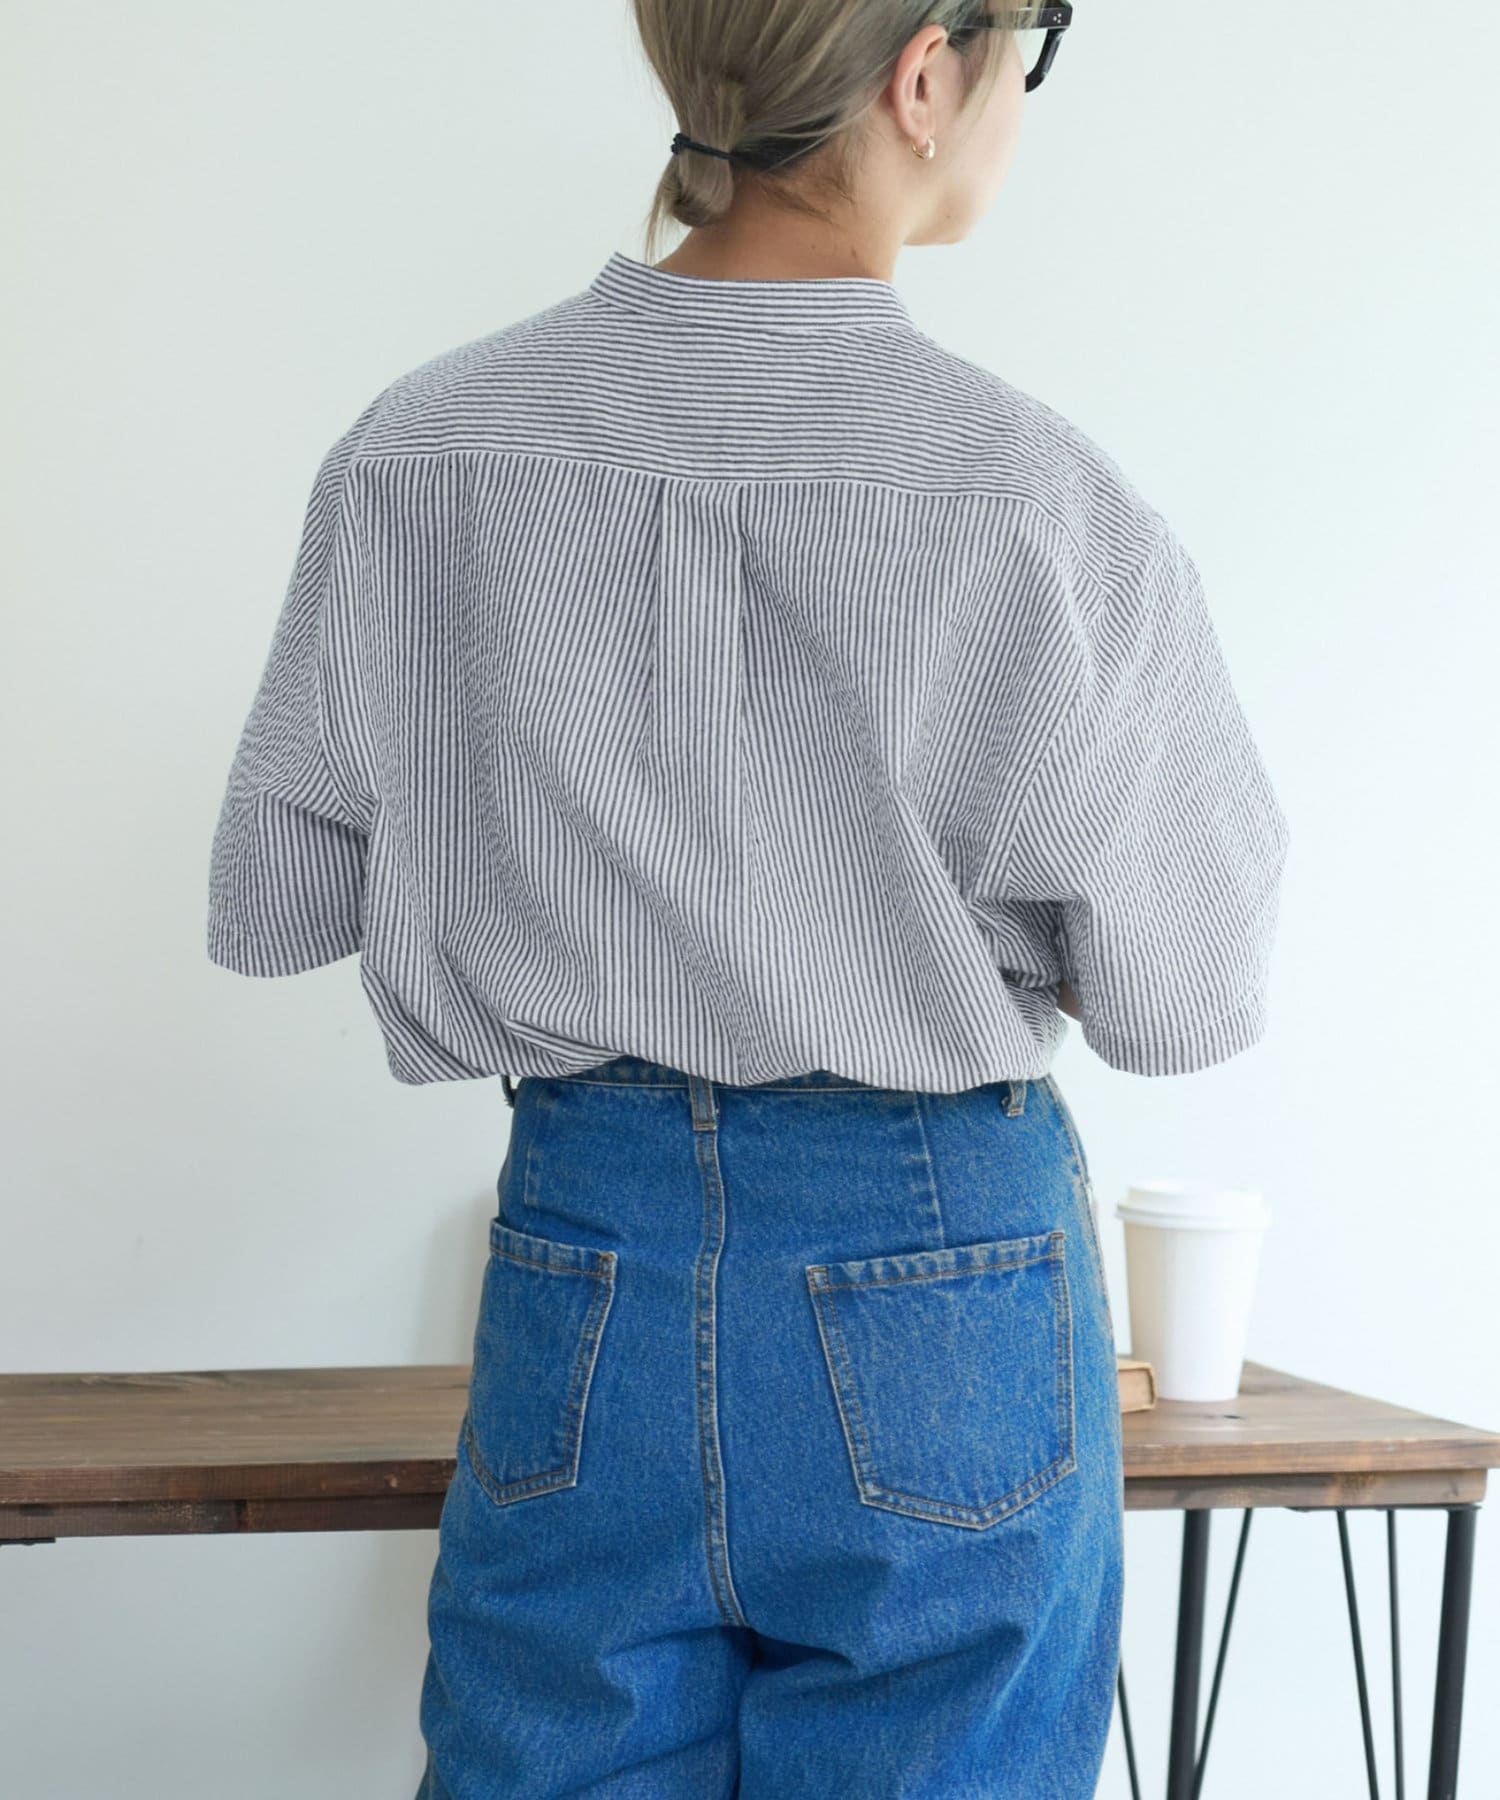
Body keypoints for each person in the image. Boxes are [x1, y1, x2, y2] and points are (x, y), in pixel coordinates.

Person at [206, 4, 1290, 1794]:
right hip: (939, 1262)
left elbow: (273, 898)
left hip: (591, 1237)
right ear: (923, 75)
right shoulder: (1039, 500)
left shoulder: (423, 451)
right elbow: (1190, 994)